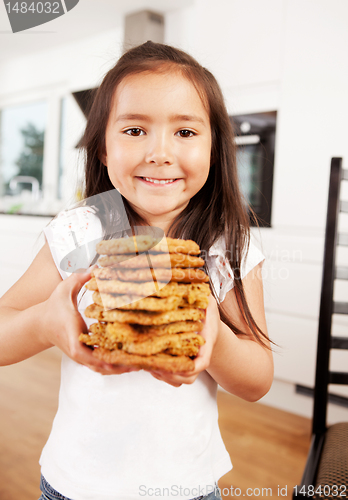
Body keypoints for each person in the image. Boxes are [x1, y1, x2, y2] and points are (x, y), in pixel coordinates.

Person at [0, 41, 273, 500]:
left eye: (185, 132)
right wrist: (45, 323)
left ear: (214, 148)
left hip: (187, 488)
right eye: (134, 130)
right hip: (74, 485)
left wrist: (215, 338)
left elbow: (258, 379)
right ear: (103, 149)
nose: (159, 152)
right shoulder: (81, 230)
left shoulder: (227, 243)